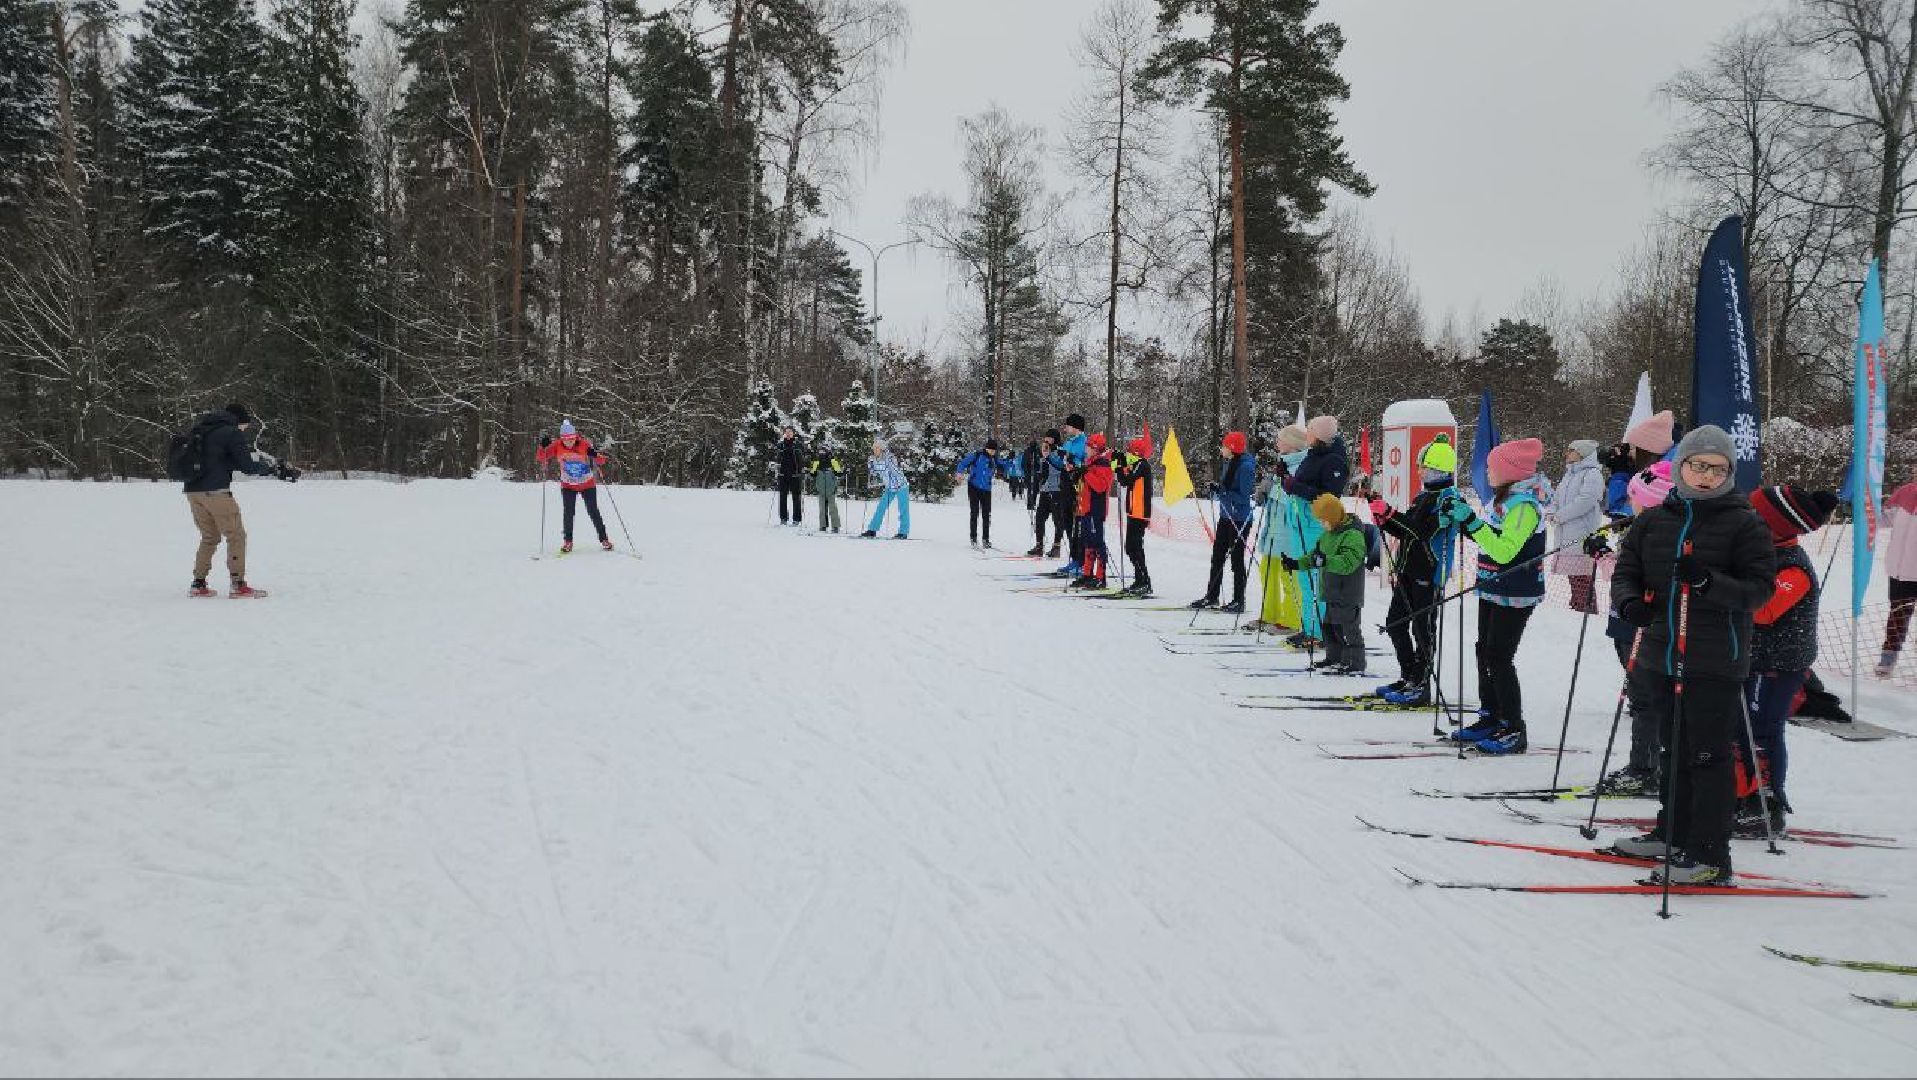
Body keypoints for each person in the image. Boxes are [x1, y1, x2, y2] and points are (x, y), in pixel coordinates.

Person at [1608, 425, 1777, 886]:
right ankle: (1673, 832)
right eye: (1697, 466)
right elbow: (1626, 571)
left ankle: (1709, 853)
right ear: (1680, 467)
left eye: (1716, 469)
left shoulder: (1744, 522)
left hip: (1713, 658)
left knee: (1706, 756)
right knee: (1672, 750)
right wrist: (1629, 604)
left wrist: (1709, 583)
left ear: (1728, 473)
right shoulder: (1654, 520)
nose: (1705, 476)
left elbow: (1760, 591)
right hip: (1662, 655)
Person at [1440, 437, 1548, 754]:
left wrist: (1471, 522)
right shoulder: (1500, 500)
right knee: (1483, 652)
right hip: (1492, 587)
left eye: (1491, 468)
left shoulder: (1525, 507)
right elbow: (1488, 535)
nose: (1486, 473)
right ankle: (1490, 715)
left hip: (1515, 591)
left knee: (1499, 658)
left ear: (1509, 471)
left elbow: (1503, 551)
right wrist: (1461, 521)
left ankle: (1513, 727)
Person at [1743, 484, 1838, 835]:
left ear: (1774, 526)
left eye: (1755, 516)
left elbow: (1764, 610)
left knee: (1764, 731)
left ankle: (1768, 804)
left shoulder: (1793, 566)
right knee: (1745, 730)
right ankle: (1745, 796)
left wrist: (1718, 589)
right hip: (1755, 659)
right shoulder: (1761, 553)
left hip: (1778, 665)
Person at [1592, 460, 1675, 797]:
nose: (1630, 503)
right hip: (1625, 619)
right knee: (1639, 694)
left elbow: (1628, 576)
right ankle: (1647, 765)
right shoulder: (1639, 529)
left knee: (1644, 698)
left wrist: (1603, 557)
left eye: (1634, 497)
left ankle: (1645, 770)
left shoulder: (1652, 534)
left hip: (1640, 623)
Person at [181, 402, 300, 598]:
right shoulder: (231, 432)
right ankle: (238, 584)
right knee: (236, 535)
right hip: (216, 492)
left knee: (209, 537)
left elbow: (225, 461)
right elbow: (247, 466)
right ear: (240, 420)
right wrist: (272, 470)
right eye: (246, 425)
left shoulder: (203, 430)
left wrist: (265, 466)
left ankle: (198, 583)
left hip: (193, 491)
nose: (245, 429)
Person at [1372, 435, 1457, 705]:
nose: (1419, 471)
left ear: (1437, 469)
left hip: (1428, 573)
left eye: (1423, 467)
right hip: (1408, 570)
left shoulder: (1447, 499)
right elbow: (1407, 530)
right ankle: (1409, 675)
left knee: (1422, 630)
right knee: (1395, 624)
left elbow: (1420, 531)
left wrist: (1391, 514)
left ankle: (1421, 683)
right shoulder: (1424, 496)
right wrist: (1384, 518)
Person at [1280, 416, 1350, 647]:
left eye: (1310, 431)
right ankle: (1308, 627)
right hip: (1301, 521)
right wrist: (1287, 480)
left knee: (1315, 578)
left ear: (1319, 435)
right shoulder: (1313, 455)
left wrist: (1295, 486)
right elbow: (1300, 484)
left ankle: (1320, 633)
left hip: (1317, 525)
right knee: (1304, 578)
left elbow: (1328, 497)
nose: (1306, 434)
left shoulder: (1334, 460)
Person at [1286, 493, 1367, 674]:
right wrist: (1296, 563)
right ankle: (1334, 657)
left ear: (1333, 516)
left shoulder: (1353, 535)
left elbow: (1348, 562)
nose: (1322, 524)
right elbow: (1315, 557)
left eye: (1324, 520)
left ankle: (1354, 662)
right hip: (1331, 591)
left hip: (1347, 593)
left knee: (1348, 629)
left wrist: (1326, 560)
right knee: (1330, 627)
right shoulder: (1328, 534)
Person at [1190, 430, 1256, 613]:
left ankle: (1238, 600)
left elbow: (1244, 496)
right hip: (1226, 516)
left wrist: (1223, 492)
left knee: (1236, 559)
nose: (1222, 449)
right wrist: (1218, 489)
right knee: (1217, 556)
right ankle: (1212, 596)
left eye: (1225, 446)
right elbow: (1227, 488)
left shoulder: (1245, 467)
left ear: (1233, 448)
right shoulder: (1231, 463)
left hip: (1240, 519)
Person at [1254, 425, 1310, 636]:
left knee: (1289, 577)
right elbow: (1277, 493)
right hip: (1273, 530)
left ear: (1293, 442)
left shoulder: (1302, 466)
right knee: (1267, 573)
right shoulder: (1283, 464)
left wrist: (1274, 492)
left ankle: (1291, 619)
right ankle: (1270, 614)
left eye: (1281, 439)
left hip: (1289, 532)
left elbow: (1295, 498)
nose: (1277, 443)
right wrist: (1263, 494)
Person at [1549, 439, 1607, 615]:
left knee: (1582, 577)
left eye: (1571, 450)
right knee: (1573, 576)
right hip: (1566, 532)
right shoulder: (1569, 474)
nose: (1567, 453)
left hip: (1582, 533)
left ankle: (1586, 610)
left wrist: (1560, 515)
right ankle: (1577, 607)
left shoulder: (1592, 474)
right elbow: (1556, 497)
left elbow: (1586, 501)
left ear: (1582, 453)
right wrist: (1552, 511)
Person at [537, 421, 614, 553]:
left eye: (571, 439)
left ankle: (604, 539)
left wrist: (594, 454)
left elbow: (601, 461)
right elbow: (542, 458)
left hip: (587, 484)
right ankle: (568, 542)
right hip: (568, 485)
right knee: (568, 512)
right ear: (561, 439)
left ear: (575, 437)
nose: (569, 442)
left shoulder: (584, 444)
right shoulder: (556, 445)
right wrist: (542, 446)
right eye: (566, 440)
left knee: (593, 511)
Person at [1880, 477, 1917, 677]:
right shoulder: (1905, 492)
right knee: (1897, 616)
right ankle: (1888, 657)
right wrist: (1868, 506)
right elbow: (1884, 519)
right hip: (1899, 569)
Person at [1072, 434, 1116, 590]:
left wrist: (1086, 473)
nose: (1086, 449)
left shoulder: (1103, 465)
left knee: (1097, 543)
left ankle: (1101, 577)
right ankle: (1087, 574)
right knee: (1087, 542)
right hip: (1086, 509)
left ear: (1096, 449)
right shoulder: (1091, 463)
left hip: (1095, 510)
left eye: (1089, 447)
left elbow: (1101, 487)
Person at [1114, 434, 1155, 596]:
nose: (1128, 454)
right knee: (1130, 547)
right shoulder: (1135, 464)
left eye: (1130, 452)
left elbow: (1128, 479)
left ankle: (1144, 580)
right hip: (1133, 511)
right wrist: (1117, 464)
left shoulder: (1142, 465)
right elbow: (1123, 479)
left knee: (1134, 547)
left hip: (1140, 512)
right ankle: (1140, 580)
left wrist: (1120, 467)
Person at [1054, 414, 1090, 577]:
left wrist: (1073, 462)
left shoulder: (1084, 443)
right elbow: (1062, 464)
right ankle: (1074, 559)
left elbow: (1086, 464)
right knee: (1067, 522)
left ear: (1075, 427)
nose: (1065, 428)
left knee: (1078, 526)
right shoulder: (1069, 442)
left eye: (1068, 425)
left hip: (1078, 487)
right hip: (1065, 485)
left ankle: (1081, 561)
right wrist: (1052, 457)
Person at [954, 439, 1006, 548]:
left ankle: (985, 539)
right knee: (974, 512)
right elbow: (963, 463)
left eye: (994, 450)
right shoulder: (977, 455)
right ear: (986, 448)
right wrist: (959, 473)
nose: (992, 452)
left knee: (986, 515)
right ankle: (973, 538)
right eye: (990, 449)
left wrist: (1007, 466)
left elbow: (1005, 465)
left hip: (986, 489)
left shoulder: (995, 459)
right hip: (973, 487)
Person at [861, 439, 911, 538]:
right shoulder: (873, 459)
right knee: (881, 507)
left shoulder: (890, 457)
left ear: (882, 449)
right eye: (874, 448)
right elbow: (874, 474)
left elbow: (896, 472)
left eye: (877, 448)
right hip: (889, 488)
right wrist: (870, 467)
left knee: (903, 509)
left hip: (901, 485)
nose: (874, 450)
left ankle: (903, 532)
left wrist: (890, 466)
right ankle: (872, 530)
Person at [1028, 430, 1064, 556]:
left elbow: (1061, 466)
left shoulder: (1060, 451)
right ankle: (1039, 545)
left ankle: (1056, 546)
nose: (1046, 439)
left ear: (1055, 439)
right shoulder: (1044, 450)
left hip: (1057, 490)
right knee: (1039, 518)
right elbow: (1041, 468)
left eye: (1049, 437)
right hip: (1045, 489)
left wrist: (1048, 456)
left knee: (1058, 520)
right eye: (1046, 437)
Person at [775, 427, 806, 526]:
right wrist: (777, 469)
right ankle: (783, 518)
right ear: (784, 433)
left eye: (790, 432)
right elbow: (778, 459)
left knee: (796, 498)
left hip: (795, 475)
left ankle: (796, 519)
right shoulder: (780, 445)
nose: (788, 434)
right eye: (786, 432)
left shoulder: (798, 445)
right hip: (783, 475)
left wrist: (801, 471)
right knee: (783, 497)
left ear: (793, 434)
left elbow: (801, 460)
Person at [809, 447, 844, 533]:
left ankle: (836, 526)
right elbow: (812, 474)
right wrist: (811, 471)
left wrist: (841, 470)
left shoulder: (833, 461)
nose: (821, 454)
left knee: (833, 508)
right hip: (821, 489)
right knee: (822, 509)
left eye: (823, 452)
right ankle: (823, 526)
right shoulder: (816, 462)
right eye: (820, 452)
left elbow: (839, 473)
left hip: (831, 489)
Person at [1021, 438, 1043, 512]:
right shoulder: (1028, 451)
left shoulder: (1037, 451)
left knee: (1034, 489)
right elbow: (1024, 463)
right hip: (1030, 473)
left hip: (1035, 473)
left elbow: (1041, 461)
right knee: (1031, 489)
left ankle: (1032, 503)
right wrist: (1026, 471)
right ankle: (1030, 504)